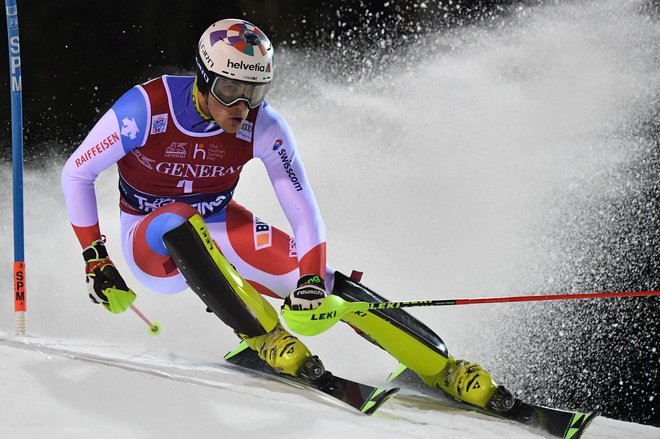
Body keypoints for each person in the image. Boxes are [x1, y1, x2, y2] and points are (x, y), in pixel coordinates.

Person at [61, 18, 512, 410]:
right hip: (152, 240)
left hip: (219, 223)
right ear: (203, 78)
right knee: (178, 216)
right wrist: (96, 258)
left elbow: (305, 212)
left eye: (254, 92)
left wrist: (312, 280)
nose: (241, 106)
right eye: (230, 90)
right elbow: (77, 174)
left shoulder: (264, 125)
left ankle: (443, 368)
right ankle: (266, 337)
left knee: (324, 279)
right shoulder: (146, 109)